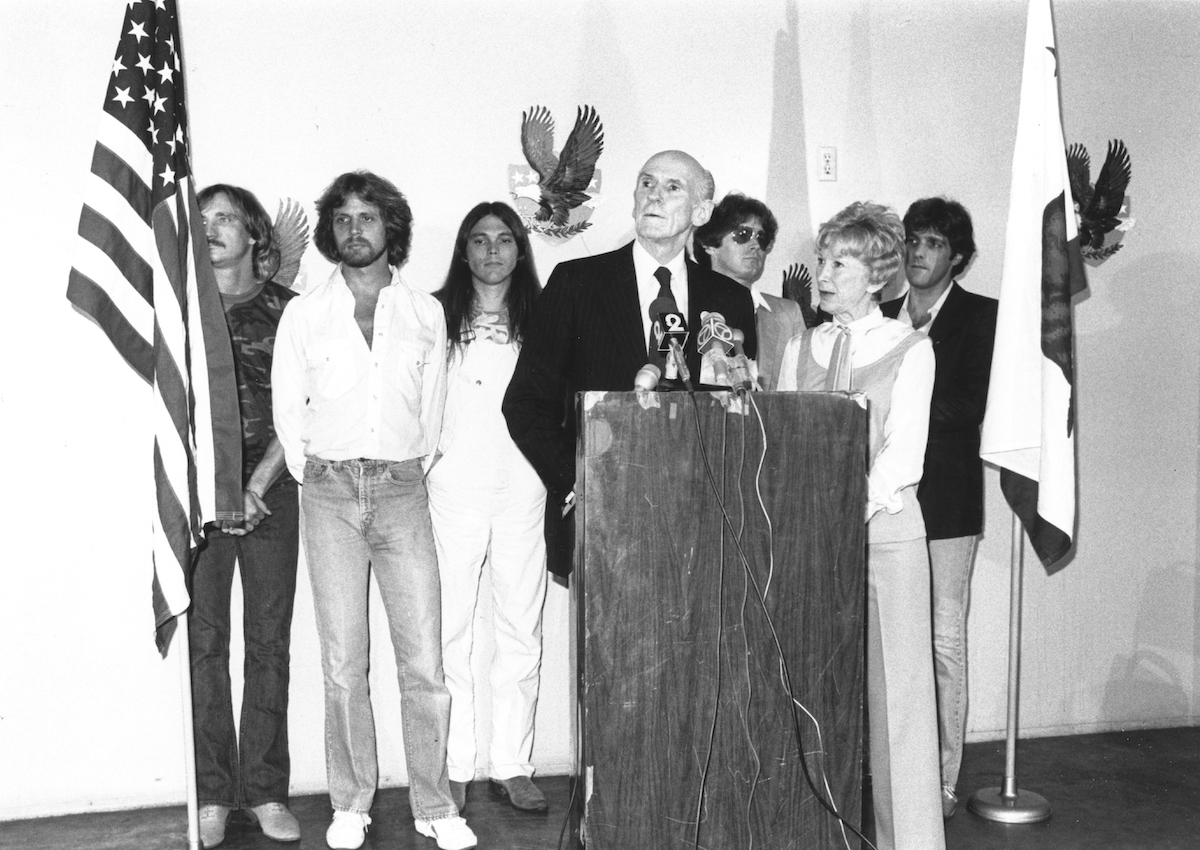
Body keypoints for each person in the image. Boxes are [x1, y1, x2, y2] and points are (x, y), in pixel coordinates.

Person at [272, 171, 476, 850]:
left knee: (424, 659)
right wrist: (319, 478)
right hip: (328, 493)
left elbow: (437, 413)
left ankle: (435, 804)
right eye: (343, 219)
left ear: (393, 229)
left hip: (401, 492)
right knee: (342, 661)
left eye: (369, 218)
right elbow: (288, 411)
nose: (354, 229)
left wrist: (403, 472)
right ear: (332, 231)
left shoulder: (425, 314)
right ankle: (351, 802)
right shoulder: (304, 315)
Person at [502, 149, 757, 576]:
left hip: (704, 519)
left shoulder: (729, 299)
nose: (654, 196)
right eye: (646, 183)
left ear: (701, 211)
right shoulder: (576, 283)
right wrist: (578, 479)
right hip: (604, 515)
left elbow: (736, 407)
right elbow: (526, 402)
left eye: (672, 187)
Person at [777, 202, 942, 850]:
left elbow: (905, 456)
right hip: (813, 544)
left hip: (885, 536)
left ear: (877, 274)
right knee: (813, 697)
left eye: (837, 261)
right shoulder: (801, 347)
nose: (821, 272)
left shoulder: (912, 349)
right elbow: (785, 441)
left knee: (899, 703)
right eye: (821, 260)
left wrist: (844, 511)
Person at [427, 203, 550, 814]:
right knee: (449, 631)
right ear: (464, 250)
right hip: (453, 491)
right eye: (480, 240)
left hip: (523, 490)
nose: (493, 251)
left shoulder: (544, 318)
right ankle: (453, 766)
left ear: (520, 250)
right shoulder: (434, 316)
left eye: (505, 240)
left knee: (519, 630)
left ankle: (512, 764)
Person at [190, 184, 301, 849]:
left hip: (271, 493)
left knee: (267, 641)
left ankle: (263, 790)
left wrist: (255, 483)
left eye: (225, 218)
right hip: (201, 498)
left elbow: (307, 405)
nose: (211, 228)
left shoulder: (291, 312)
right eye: (201, 220)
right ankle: (211, 792)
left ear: (255, 235)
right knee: (206, 644)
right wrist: (212, 488)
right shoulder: (182, 315)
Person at [882, 197, 996, 818]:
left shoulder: (982, 318)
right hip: (884, 503)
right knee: (885, 641)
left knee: (942, 640)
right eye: (910, 241)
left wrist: (893, 422)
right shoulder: (880, 316)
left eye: (930, 243)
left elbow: (969, 408)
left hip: (947, 503)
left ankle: (943, 781)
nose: (917, 254)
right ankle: (892, 773)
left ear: (957, 258)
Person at [693, 192, 805, 390]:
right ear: (710, 244)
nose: (755, 245)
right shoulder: (687, 305)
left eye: (761, 238)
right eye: (742, 235)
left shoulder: (788, 314)